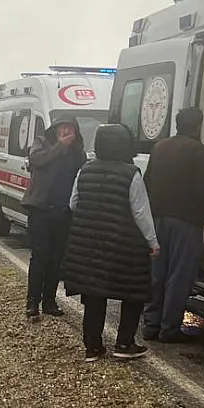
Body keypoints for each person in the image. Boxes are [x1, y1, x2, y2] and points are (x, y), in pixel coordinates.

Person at [61, 124, 159, 361]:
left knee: (94, 293)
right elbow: (140, 212)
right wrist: (153, 241)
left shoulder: (85, 170)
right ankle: (124, 344)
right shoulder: (131, 173)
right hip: (123, 244)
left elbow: (73, 203)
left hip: (89, 242)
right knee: (132, 293)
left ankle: (93, 348)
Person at [142, 107, 204, 343]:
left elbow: (147, 180)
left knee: (157, 273)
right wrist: (203, 216)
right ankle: (169, 328)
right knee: (179, 276)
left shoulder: (160, 147)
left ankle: (151, 324)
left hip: (157, 219)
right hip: (186, 222)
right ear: (197, 126)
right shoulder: (199, 151)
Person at [20, 115, 86, 319]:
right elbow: (37, 160)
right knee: (40, 256)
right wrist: (58, 146)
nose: (65, 132)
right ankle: (32, 303)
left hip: (63, 211)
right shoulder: (42, 143)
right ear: (55, 130)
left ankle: (49, 300)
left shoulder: (78, 154)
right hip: (41, 209)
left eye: (69, 129)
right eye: (62, 128)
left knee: (56, 259)